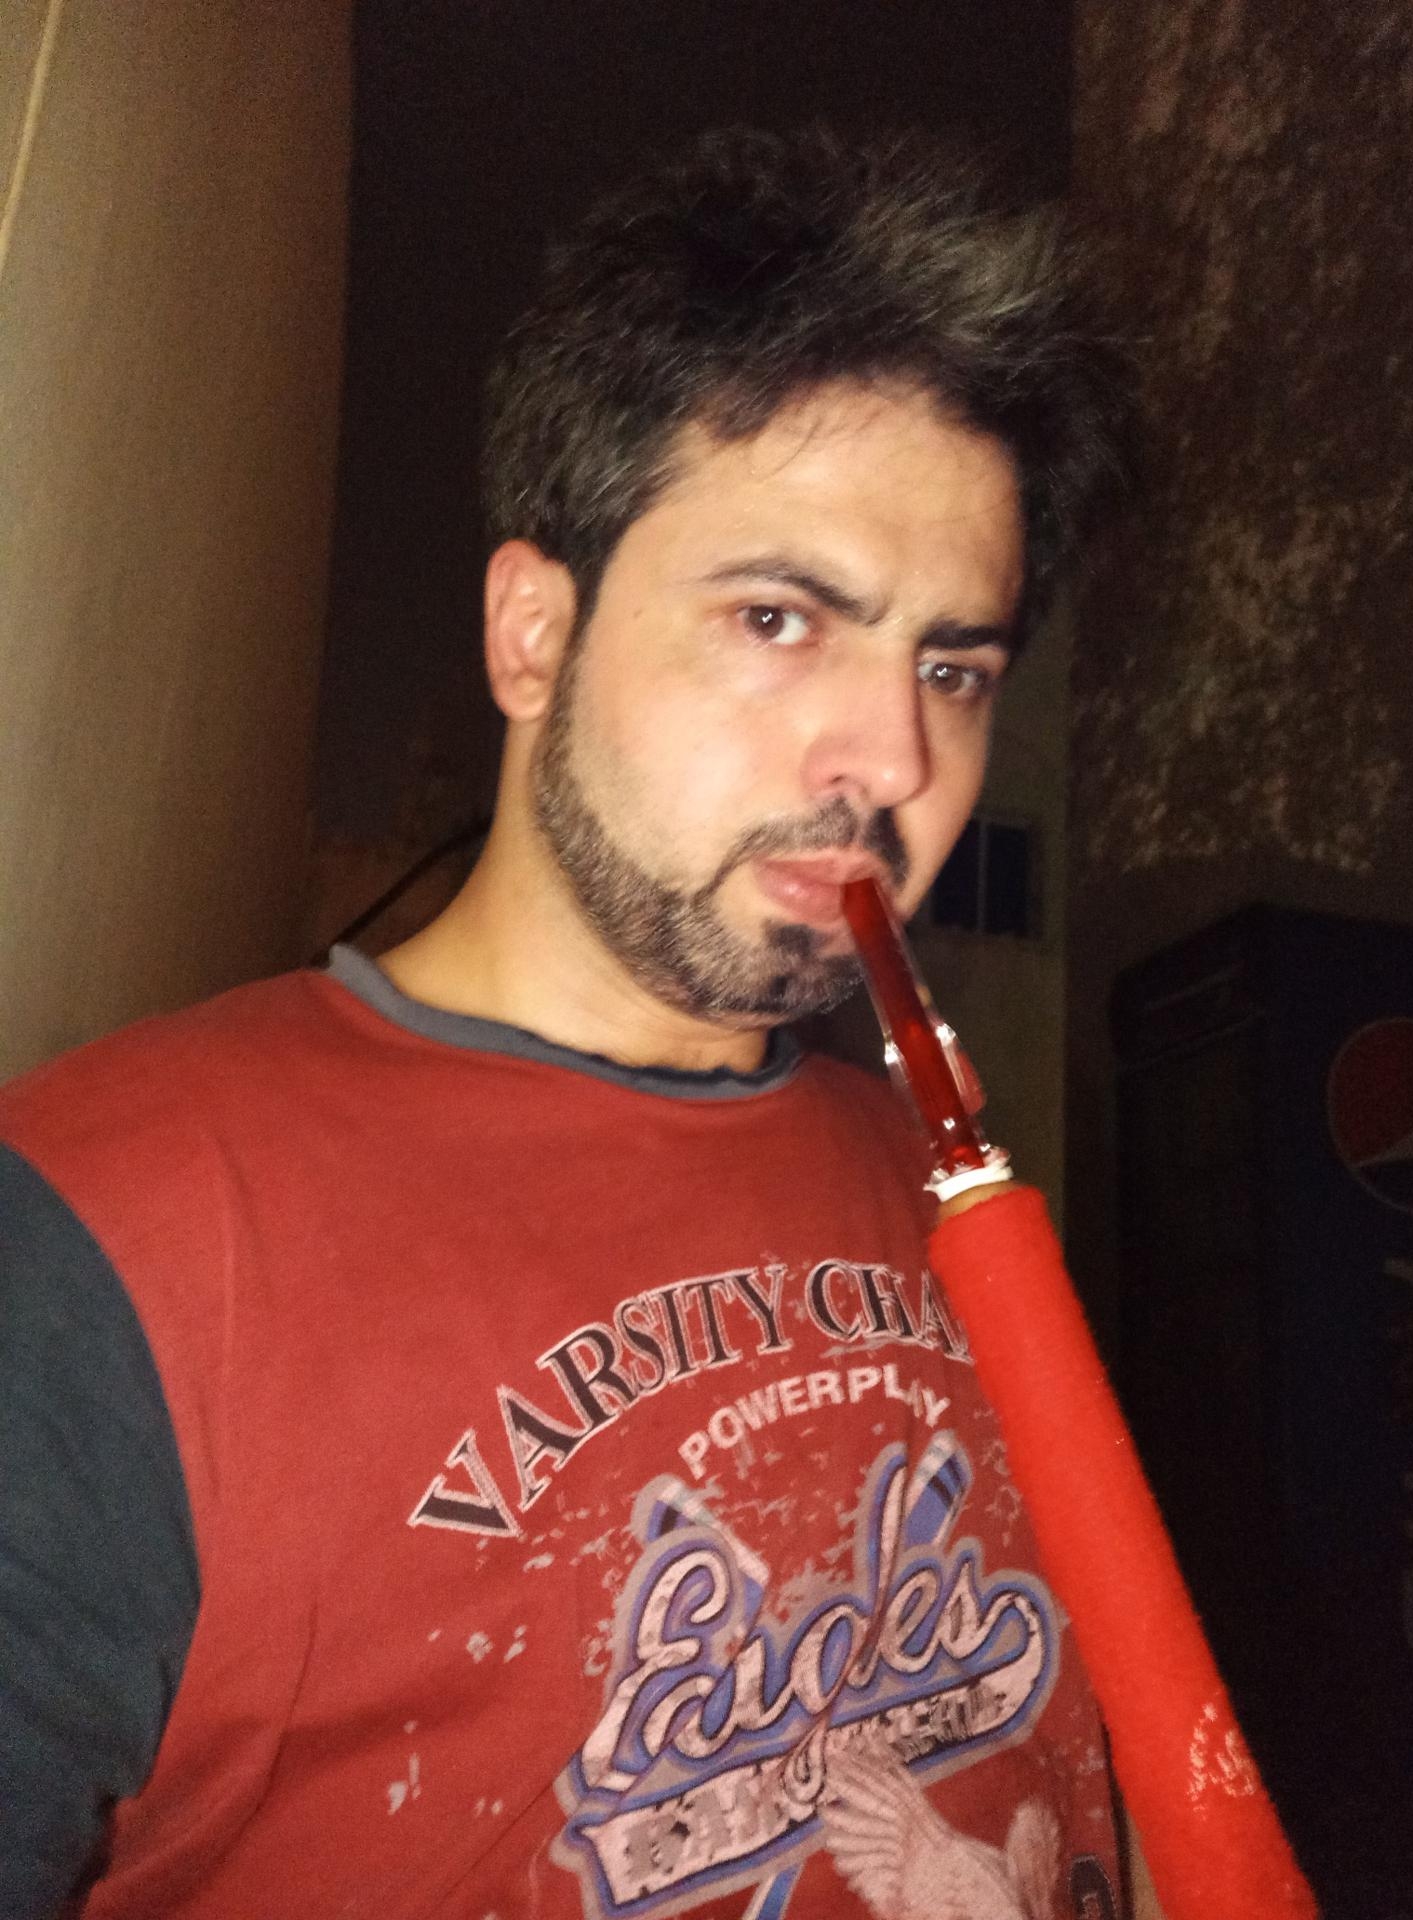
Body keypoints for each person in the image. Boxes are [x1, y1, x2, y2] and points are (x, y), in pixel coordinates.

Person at [0, 128, 1136, 1918]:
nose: (894, 760)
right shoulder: (101, 1238)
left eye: (950, 666)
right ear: (533, 634)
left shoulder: (941, 1165)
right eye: (780, 618)